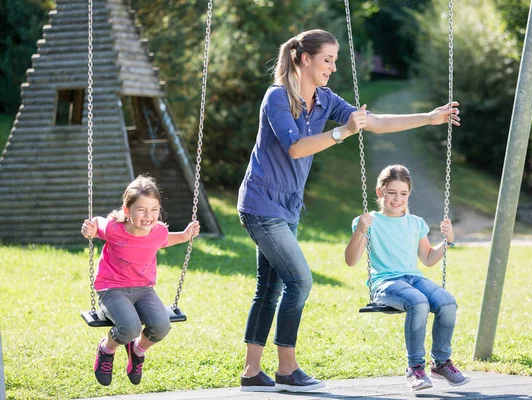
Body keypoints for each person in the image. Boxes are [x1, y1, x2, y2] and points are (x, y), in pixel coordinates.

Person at [237, 29, 460, 393]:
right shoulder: (277, 97)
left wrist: (429, 118)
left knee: (270, 287)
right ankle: (287, 368)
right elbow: (296, 148)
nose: (332, 67)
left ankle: (251, 371)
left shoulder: (324, 99)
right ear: (303, 58)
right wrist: (341, 133)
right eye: (327, 59)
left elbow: (373, 122)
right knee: (300, 280)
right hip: (261, 204)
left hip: (288, 206)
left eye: (335, 60)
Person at [344, 164, 470, 391]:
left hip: (412, 279)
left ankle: (440, 362)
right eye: (391, 192)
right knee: (418, 302)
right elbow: (351, 260)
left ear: (409, 194)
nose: (397, 199)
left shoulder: (416, 223)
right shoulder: (368, 221)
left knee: (448, 303)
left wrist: (448, 241)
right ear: (379, 192)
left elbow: (429, 258)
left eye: (403, 193)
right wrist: (360, 230)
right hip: (385, 283)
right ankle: (415, 368)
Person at [81, 175, 200, 386]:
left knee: (162, 326)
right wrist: (89, 228)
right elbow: (98, 222)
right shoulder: (114, 229)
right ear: (127, 211)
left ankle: (137, 350)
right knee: (130, 327)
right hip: (112, 289)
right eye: (141, 209)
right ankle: (106, 349)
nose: (149, 216)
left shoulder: (158, 231)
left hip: (144, 290)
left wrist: (184, 235)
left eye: (154, 210)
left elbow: (165, 239)